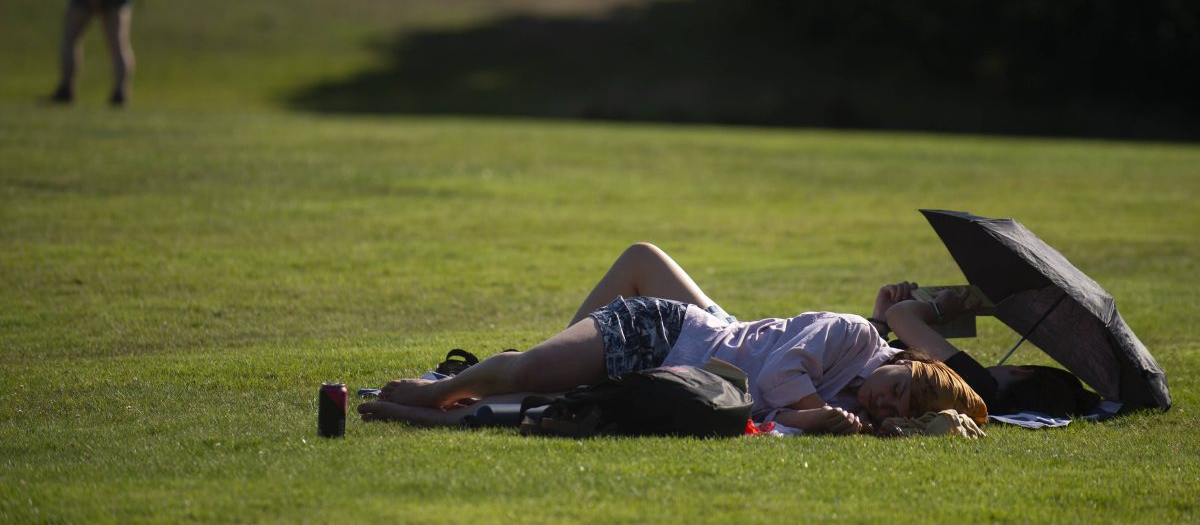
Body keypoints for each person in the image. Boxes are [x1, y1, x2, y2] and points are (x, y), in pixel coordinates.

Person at [359, 243, 987, 434]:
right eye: (897, 388)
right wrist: (818, 415)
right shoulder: (851, 336)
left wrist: (918, 426)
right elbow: (775, 382)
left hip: (678, 373)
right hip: (659, 334)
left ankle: (412, 407)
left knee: (547, 407)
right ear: (902, 359)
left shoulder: (858, 400)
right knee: (521, 377)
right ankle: (433, 389)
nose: (886, 402)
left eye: (898, 407)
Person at [871, 282, 1101, 417]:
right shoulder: (980, 407)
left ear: (1019, 371)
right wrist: (879, 324)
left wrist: (940, 308)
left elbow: (899, 315)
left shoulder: (979, 385)